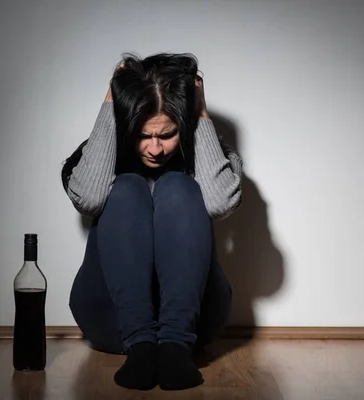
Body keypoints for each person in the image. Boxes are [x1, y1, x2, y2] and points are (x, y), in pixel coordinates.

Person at [60, 52, 244, 391]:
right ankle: (141, 346)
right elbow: (88, 198)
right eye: (144, 135)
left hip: (195, 323)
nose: (155, 149)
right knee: (127, 187)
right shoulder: (102, 153)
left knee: (178, 186)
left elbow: (219, 203)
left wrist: (199, 111)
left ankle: (174, 347)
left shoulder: (209, 154)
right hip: (110, 319)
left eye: (167, 134)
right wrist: (112, 100)